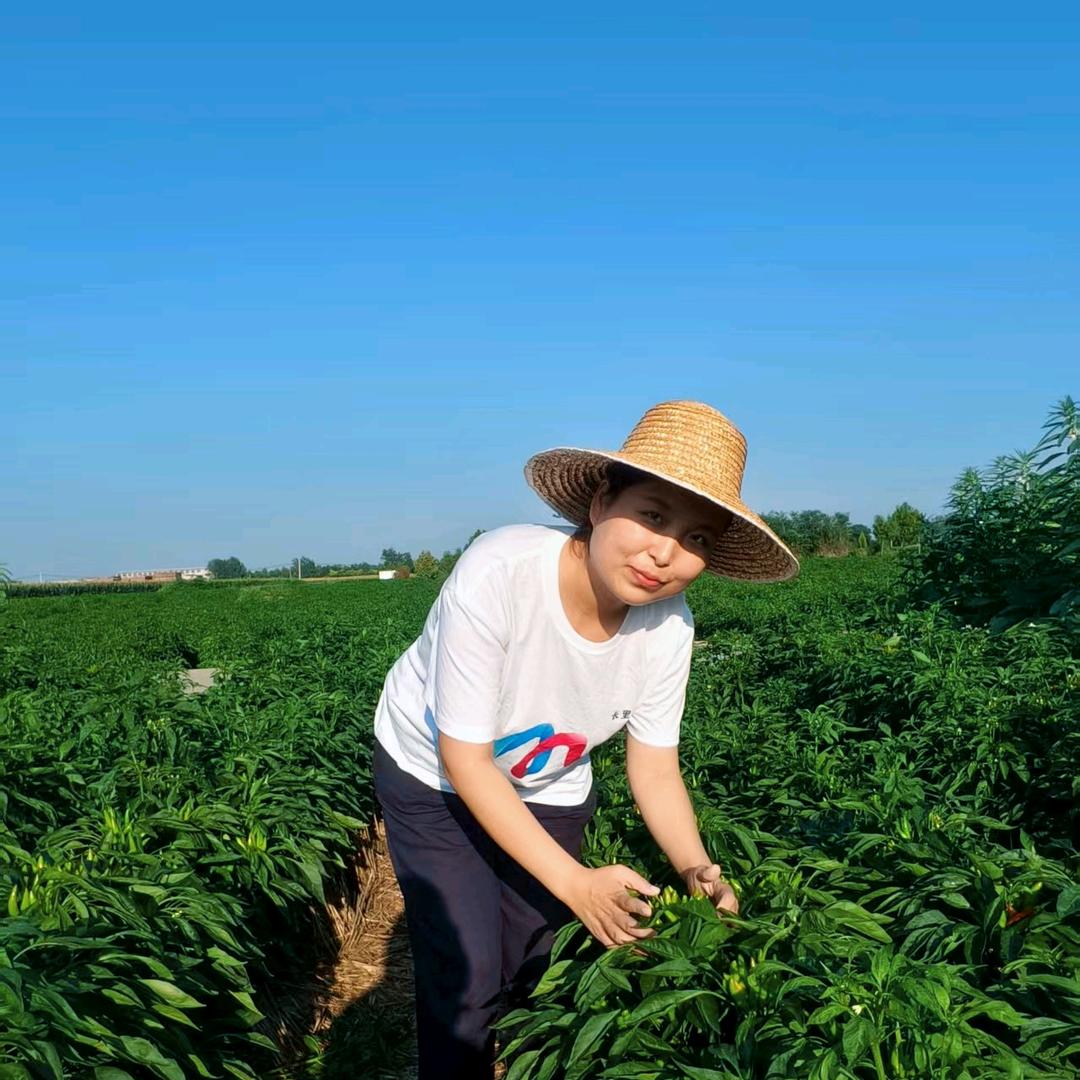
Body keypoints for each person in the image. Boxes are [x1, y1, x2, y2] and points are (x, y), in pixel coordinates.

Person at [372, 400, 798, 1079]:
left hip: (547, 781)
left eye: (697, 539)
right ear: (600, 502)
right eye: (653, 516)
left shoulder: (670, 627)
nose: (667, 554)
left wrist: (697, 871)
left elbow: (655, 767)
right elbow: (467, 758)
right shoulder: (502, 573)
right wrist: (576, 881)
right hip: (436, 775)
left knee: (532, 959)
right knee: (467, 972)